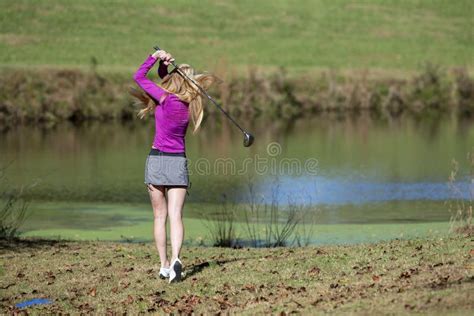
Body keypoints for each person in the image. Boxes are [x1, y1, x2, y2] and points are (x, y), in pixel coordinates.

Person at [130, 49, 217, 283]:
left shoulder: (164, 98)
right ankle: (177, 258)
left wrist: (154, 56)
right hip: (178, 161)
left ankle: (164, 266)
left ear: (174, 80)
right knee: (176, 215)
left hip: (157, 160)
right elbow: (164, 81)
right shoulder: (190, 106)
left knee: (160, 217)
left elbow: (139, 77)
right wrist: (164, 67)